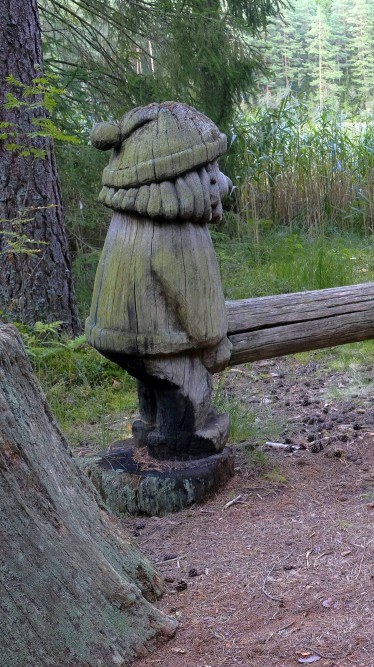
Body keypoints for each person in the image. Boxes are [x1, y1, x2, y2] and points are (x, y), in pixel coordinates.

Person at [86, 102, 232, 459]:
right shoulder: (180, 234)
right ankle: (181, 437)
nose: (224, 182)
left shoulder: (126, 224)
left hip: (113, 335)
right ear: (181, 177)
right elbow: (195, 299)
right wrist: (214, 342)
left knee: (151, 380)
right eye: (211, 170)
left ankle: (151, 423)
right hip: (165, 341)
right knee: (184, 387)